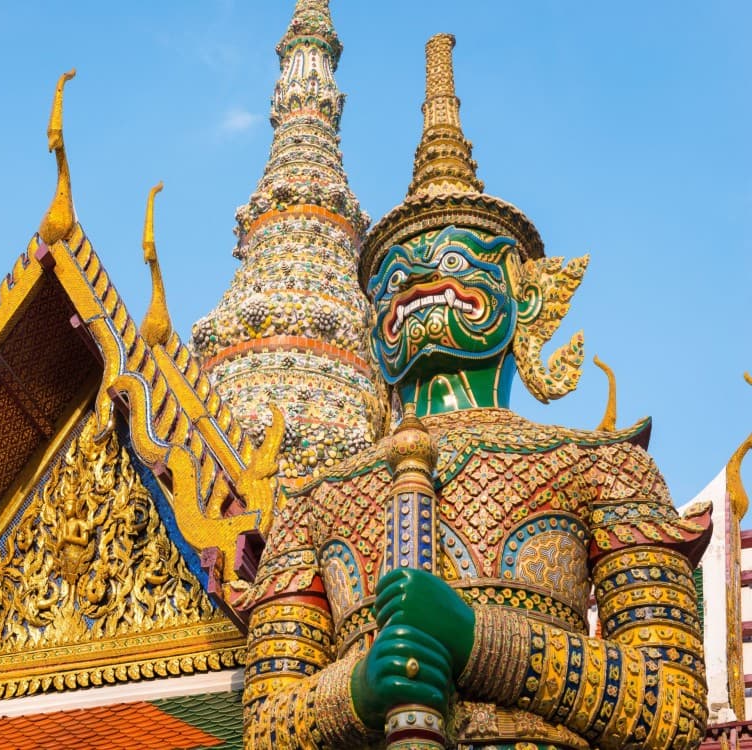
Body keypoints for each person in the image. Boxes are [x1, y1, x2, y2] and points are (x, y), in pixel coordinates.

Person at [239, 34, 710, 750]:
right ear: (369, 321)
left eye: (457, 260)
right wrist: (358, 690)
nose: (421, 284)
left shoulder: (605, 469)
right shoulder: (314, 502)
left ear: (527, 297)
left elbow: (672, 707)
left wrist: (478, 639)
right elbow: (266, 729)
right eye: (395, 277)